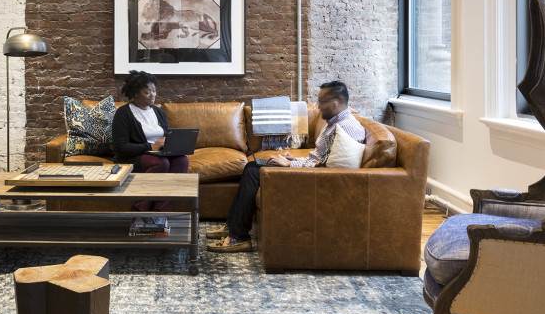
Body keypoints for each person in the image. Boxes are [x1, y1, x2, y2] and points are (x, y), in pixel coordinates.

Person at [206, 80, 366, 253]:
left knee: (253, 171)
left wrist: (290, 164)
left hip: (315, 179)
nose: (318, 106)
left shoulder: (347, 128)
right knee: (252, 167)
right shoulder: (334, 123)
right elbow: (321, 158)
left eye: (323, 101)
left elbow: (327, 167)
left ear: (339, 100)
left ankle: (238, 238)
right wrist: (294, 158)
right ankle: (233, 227)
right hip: (310, 171)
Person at [112, 70, 189, 211]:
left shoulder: (158, 112)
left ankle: (161, 212)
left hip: (161, 153)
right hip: (135, 156)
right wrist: (150, 146)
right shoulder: (123, 113)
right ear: (136, 93)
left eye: (154, 91)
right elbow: (120, 147)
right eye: (148, 92)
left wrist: (173, 145)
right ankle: (140, 209)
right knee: (161, 163)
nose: (153, 95)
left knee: (182, 161)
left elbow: (167, 135)